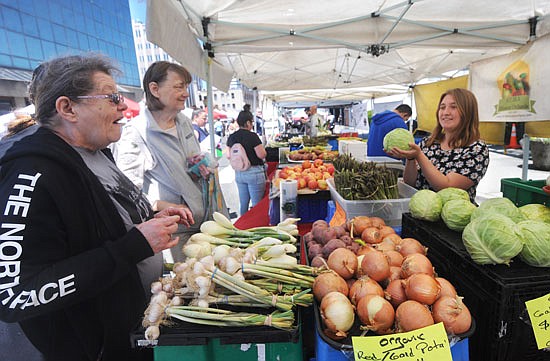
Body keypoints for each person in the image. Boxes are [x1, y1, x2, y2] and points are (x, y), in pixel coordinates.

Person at [0, 54, 192, 361]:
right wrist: (134, 246)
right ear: (67, 108)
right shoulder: (31, 173)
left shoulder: (97, 152)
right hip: (92, 349)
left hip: (133, 329)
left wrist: (149, 218)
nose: (122, 105)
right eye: (112, 96)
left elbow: (99, 225)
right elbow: (15, 296)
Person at [115, 61, 228, 263]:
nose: (185, 93)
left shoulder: (183, 121)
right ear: (155, 89)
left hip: (209, 221)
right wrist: (168, 205)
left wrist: (200, 164)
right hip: (178, 231)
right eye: (179, 86)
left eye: (186, 87)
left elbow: (188, 165)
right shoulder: (136, 133)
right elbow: (126, 195)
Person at [387, 88, 489, 203]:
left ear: (468, 112)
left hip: (452, 219)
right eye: (442, 107)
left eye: (453, 107)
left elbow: (447, 188)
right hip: (419, 213)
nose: (446, 112)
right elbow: (410, 183)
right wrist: (411, 158)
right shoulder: (428, 142)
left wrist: (419, 156)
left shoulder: (476, 149)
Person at [226, 106, 267, 216]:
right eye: (252, 122)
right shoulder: (253, 136)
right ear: (248, 122)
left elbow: (228, 155)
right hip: (254, 173)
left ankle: (243, 226)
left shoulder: (232, 137)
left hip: (239, 174)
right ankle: (256, 226)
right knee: (257, 204)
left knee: (243, 203)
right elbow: (261, 154)